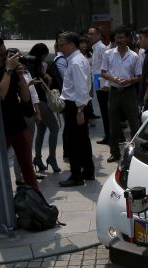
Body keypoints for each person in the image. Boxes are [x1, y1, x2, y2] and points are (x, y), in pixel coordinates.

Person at [0, 38, 40, 191]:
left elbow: (25, 97)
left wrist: (20, 76)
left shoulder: (12, 72)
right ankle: (1, 199)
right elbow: (0, 95)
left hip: (18, 123)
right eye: (3, 54)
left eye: (7, 52)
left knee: (27, 163)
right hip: (0, 126)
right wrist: (8, 70)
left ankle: (36, 194)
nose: (7, 56)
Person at [57, 31, 94, 187]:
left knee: (73, 142)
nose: (60, 47)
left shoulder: (75, 62)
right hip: (77, 104)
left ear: (71, 44)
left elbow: (81, 87)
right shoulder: (78, 59)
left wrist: (80, 109)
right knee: (83, 140)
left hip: (75, 106)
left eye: (62, 44)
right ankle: (88, 171)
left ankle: (76, 176)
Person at [101, 26, 142, 164]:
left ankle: (136, 152)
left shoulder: (135, 56)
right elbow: (103, 72)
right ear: (114, 39)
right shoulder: (108, 54)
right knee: (113, 124)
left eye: (122, 37)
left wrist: (129, 80)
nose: (119, 40)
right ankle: (115, 153)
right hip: (114, 92)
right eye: (117, 37)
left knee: (134, 123)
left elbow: (139, 76)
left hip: (129, 92)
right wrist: (113, 79)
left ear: (128, 38)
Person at [28, 43, 61, 174]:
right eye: (43, 56)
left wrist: (46, 77)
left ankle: (37, 158)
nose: (44, 58)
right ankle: (51, 158)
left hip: (39, 101)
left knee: (41, 130)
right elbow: (35, 88)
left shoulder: (37, 66)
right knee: (55, 128)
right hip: (39, 102)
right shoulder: (31, 67)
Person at [88, 26, 111, 146]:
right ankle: (108, 135)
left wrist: (106, 84)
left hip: (102, 81)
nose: (90, 36)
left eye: (92, 34)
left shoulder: (101, 48)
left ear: (98, 35)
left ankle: (109, 136)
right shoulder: (95, 48)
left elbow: (107, 66)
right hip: (98, 80)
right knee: (103, 110)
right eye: (89, 34)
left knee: (106, 111)